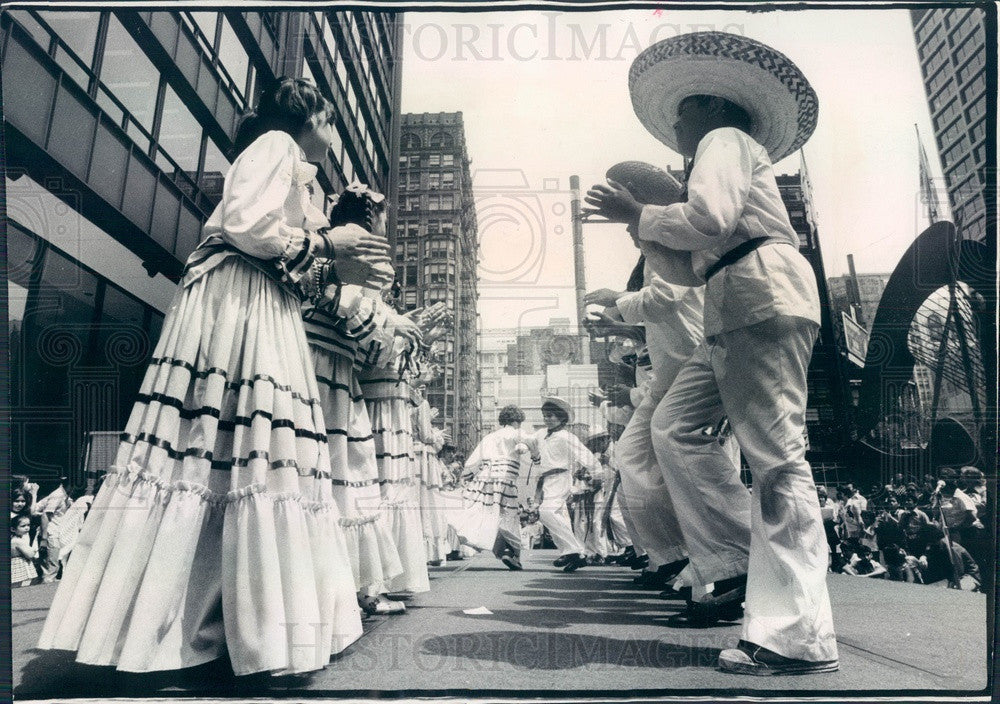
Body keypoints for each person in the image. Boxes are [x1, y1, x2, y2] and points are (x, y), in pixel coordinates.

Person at [37, 78, 388, 676]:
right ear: (312, 117)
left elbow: (286, 251)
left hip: (261, 302)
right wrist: (330, 243)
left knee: (227, 453)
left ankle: (206, 626)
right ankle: (210, 629)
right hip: (240, 301)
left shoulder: (293, 165)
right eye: (331, 120)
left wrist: (333, 250)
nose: (333, 134)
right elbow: (250, 227)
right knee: (228, 450)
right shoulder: (277, 144)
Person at [585, 32, 837, 674]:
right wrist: (645, 223)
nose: (674, 124)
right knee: (674, 427)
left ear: (711, 106)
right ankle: (731, 564)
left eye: (682, 112)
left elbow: (712, 220)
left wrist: (640, 214)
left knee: (778, 459)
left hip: (761, 294)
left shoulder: (724, 143)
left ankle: (798, 635)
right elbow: (699, 262)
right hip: (740, 300)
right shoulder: (726, 151)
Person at [452, 405, 534, 570]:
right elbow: (529, 443)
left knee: (488, 513)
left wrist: (467, 475)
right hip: (506, 478)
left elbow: (473, 460)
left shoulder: (490, 436)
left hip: (486, 477)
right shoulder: (517, 433)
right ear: (518, 421)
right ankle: (510, 551)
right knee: (508, 515)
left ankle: (501, 547)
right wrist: (532, 453)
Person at [533, 397, 601, 572]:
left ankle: (575, 551)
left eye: (551, 416)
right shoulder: (541, 434)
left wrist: (596, 473)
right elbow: (528, 441)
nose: (547, 419)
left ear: (562, 418)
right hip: (545, 481)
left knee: (546, 511)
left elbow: (584, 454)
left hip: (560, 477)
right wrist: (522, 446)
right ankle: (571, 553)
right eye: (545, 415)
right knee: (560, 517)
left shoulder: (566, 436)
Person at [11, 515, 39, 585]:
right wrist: (34, 550)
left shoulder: (17, 539)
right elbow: (30, 555)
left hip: (18, 566)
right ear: (13, 529)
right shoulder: (17, 541)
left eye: (28, 525)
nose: (27, 528)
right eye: (23, 526)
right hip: (20, 567)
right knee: (22, 585)